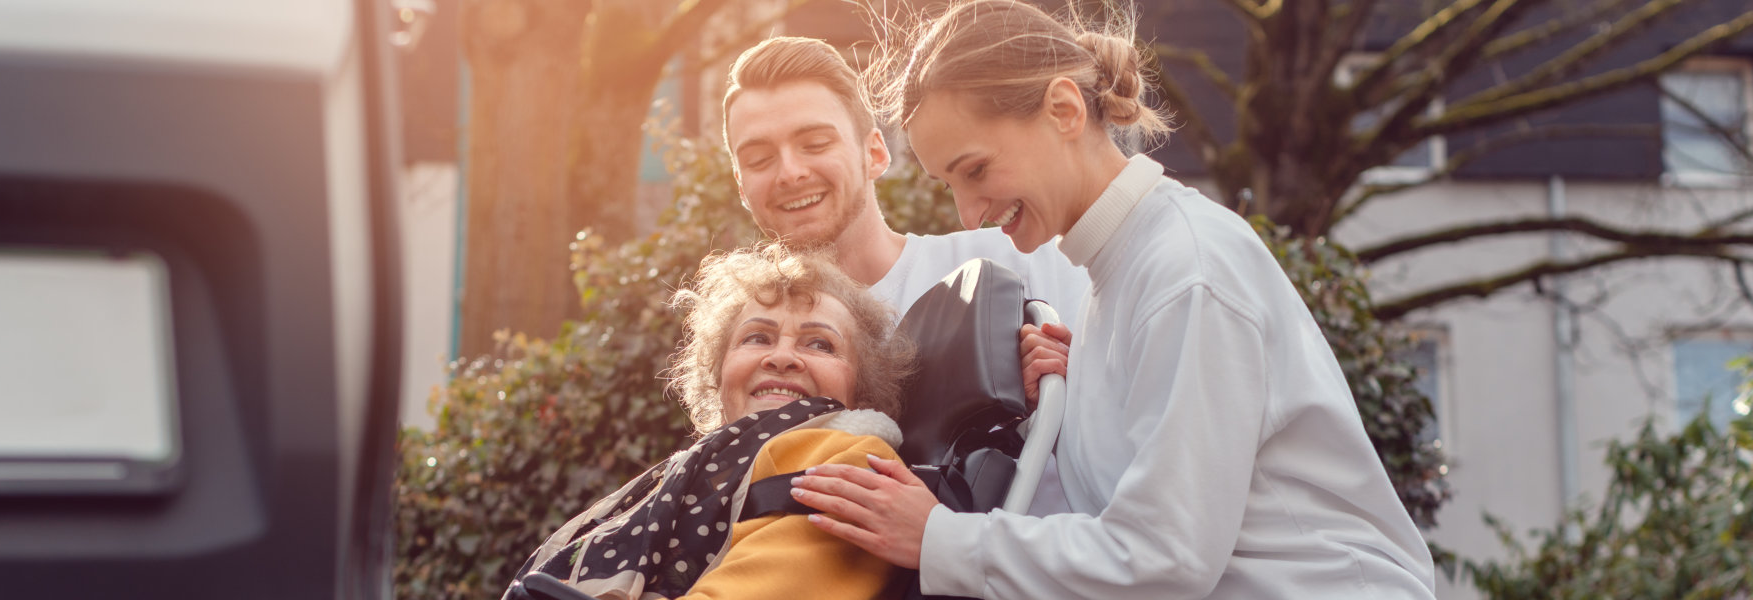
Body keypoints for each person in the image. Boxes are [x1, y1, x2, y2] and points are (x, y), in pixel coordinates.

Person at [788, 1, 1439, 598]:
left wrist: (939, 537)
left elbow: (1164, 558)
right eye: (949, 183)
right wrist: (1077, 397)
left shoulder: (1186, 271)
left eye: (976, 170)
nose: (968, 214)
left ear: (1065, 110)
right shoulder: (1117, 282)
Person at [506, 243, 915, 600]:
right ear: (720, 376)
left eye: (819, 343)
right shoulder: (691, 476)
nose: (782, 356)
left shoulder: (853, 457)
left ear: (863, 389)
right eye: (757, 337)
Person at [721, 36, 1084, 410]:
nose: (790, 173)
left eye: (815, 144)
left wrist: (1065, 383)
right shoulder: (754, 346)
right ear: (741, 186)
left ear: (876, 154)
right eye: (760, 159)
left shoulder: (1020, 262)